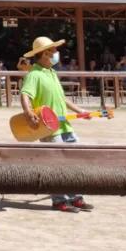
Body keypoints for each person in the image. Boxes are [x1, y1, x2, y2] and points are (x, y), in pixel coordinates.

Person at [19, 36, 95, 212]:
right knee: (57, 166)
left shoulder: (52, 73)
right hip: (49, 128)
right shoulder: (34, 74)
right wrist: (29, 112)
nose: (56, 54)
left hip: (66, 126)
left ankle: (76, 197)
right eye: (53, 51)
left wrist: (80, 111)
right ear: (45, 53)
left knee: (75, 162)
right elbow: (25, 95)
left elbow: (63, 99)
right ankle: (60, 201)